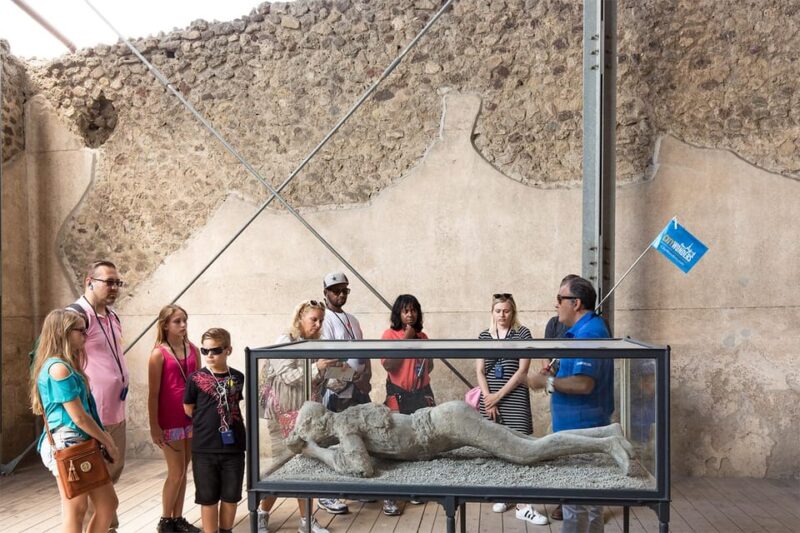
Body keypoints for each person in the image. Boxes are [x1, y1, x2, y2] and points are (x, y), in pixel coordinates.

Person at [286, 401, 633, 477]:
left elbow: (362, 468)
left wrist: (314, 452)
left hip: (447, 425)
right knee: (528, 440)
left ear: (318, 424)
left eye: (306, 430)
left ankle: (606, 445)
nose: (307, 436)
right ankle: (607, 431)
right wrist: (315, 445)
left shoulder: (345, 428)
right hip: (445, 419)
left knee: (527, 452)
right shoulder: (347, 419)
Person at [528, 275, 614, 533]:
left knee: (577, 507)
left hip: (582, 429)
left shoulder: (589, 333)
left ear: (576, 303)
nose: (556, 305)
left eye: (559, 299)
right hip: (577, 428)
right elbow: (575, 373)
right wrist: (555, 372)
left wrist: (546, 382)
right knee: (587, 505)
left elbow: (584, 383)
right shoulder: (582, 331)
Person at [30, 309, 120, 533]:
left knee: (107, 504)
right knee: (76, 509)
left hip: (78, 441)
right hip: (68, 442)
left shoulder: (65, 365)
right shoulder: (58, 369)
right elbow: (78, 417)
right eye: (80, 330)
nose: (85, 335)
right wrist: (107, 441)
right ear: (64, 332)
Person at [258, 300, 331, 533]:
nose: (318, 324)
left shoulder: (316, 343)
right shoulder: (285, 341)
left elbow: (319, 380)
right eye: (313, 319)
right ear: (300, 317)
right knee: (282, 466)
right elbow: (288, 377)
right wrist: (318, 368)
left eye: (321, 320)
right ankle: (261, 513)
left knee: (305, 466)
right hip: (282, 415)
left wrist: (342, 374)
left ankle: (306, 520)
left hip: (305, 415)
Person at [475, 293, 546, 526]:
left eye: (506, 311)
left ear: (513, 312)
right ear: (492, 312)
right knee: (497, 448)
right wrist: (488, 398)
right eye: (498, 311)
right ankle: (504, 493)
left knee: (521, 449)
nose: (502, 315)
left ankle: (524, 505)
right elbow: (480, 371)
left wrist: (498, 396)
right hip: (490, 401)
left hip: (514, 398)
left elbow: (521, 372)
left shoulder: (522, 334)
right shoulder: (484, 336)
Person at [72, 260, 128, 531]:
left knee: (111, 474)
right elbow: (64, 359)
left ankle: (106, 527)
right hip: (93, 414)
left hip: (116, 410)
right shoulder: (77, 316)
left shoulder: (112, 316)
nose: (114, 287)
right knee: (95, 480)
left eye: (118, 282)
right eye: (109, 282)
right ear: (89, 282)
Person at [317, 272, 372, 517]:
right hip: (335, 390)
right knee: (333, 440)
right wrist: (354, 376)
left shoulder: (352, 319)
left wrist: (366, 377)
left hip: (357, 389)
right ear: (326, 292)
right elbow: (325, 362)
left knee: (360, 436)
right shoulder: (324, 320)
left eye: (344, 290)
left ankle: (355, 486)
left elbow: (365, 352)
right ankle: (327, 493)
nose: (341, 294)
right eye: (335, 290)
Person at [183, 328, 246, 533]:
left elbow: (235, 403)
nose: (209, 355)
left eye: (216, 350)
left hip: (234, 446)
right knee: (207, 497)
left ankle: (226, 530)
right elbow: (188, 408)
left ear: (228, 350)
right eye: (205, 350)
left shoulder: (238, 377)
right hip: (205, 447)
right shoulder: (195, 378)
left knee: (231, 495)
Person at [148, 305, 201, 533]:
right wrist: (154, 426)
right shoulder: (158, 354)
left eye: (185, 320)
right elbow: (153, 394)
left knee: (184, 471)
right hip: (170, 420)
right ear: (165, 325)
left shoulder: (193, 349)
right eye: (177, 321)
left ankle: (177, 518)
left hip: (191, 418)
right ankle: (165, 520)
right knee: (176, 472)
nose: (183, 325)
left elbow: (199, 385)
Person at [379, 294, 433, 516]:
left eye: (414, 310)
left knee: (420, 441)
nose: (410, 314)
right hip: (398, 395)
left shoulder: (423, 337)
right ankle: (390, 494)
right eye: (405, 311)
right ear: (398, 314)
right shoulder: (389, 335)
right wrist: (406, 339)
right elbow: (388, 365)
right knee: (393, 443)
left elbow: (429, 366)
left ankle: (413, 489)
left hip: (420, 394)